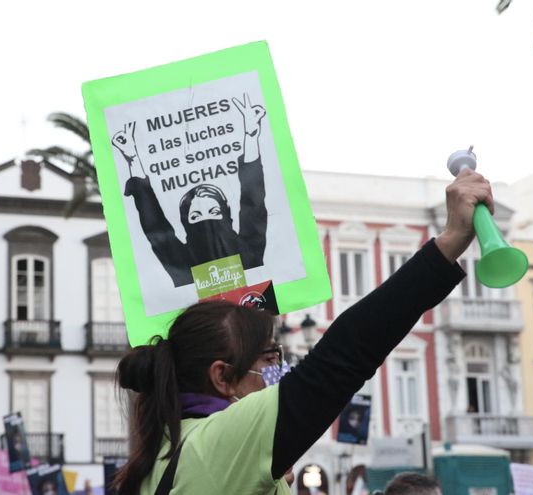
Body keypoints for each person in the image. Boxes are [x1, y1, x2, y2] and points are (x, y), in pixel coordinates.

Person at [112, 168, 491, 494]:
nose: (277, 373)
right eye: (268, 357)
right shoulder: (217, 444)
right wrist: (449, 242)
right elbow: (344, 354)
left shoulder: (161, 453)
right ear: (222, 377)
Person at [112, 94, 268, 287]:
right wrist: (133, 158)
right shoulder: (179, 260)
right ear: (185, 223)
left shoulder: (248, 249)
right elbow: (155, 225)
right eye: (195, 216)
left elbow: (253, 201)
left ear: (227, 214)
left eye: (214, 212)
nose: (206, 221)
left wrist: (251, 135)